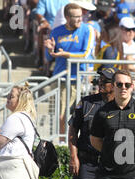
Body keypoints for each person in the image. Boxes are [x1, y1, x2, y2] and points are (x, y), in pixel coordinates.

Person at [44, 3, 95, 136]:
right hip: (59, 77)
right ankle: (60, 143)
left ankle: (68, 142)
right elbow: (49, 57)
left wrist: (65, 54)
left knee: (70, 115)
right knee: (59, 114)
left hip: (77, 79)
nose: (80, 19)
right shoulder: (56, 31)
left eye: (81, 16)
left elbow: (85, 55)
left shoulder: (87, 30)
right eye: (76, 17)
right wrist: (49, 49)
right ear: (67, 17)